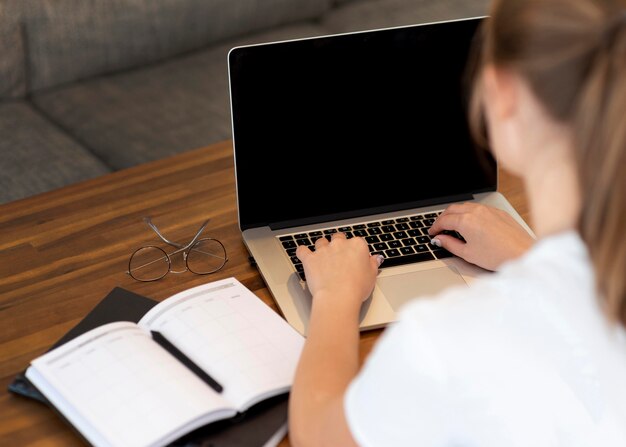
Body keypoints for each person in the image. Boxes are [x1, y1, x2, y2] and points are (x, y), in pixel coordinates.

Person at [288, 0, 626, 445]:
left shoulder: (443, 344)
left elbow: (320, 435)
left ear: (502, 98)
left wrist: (335, 296)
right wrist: (529, 258)